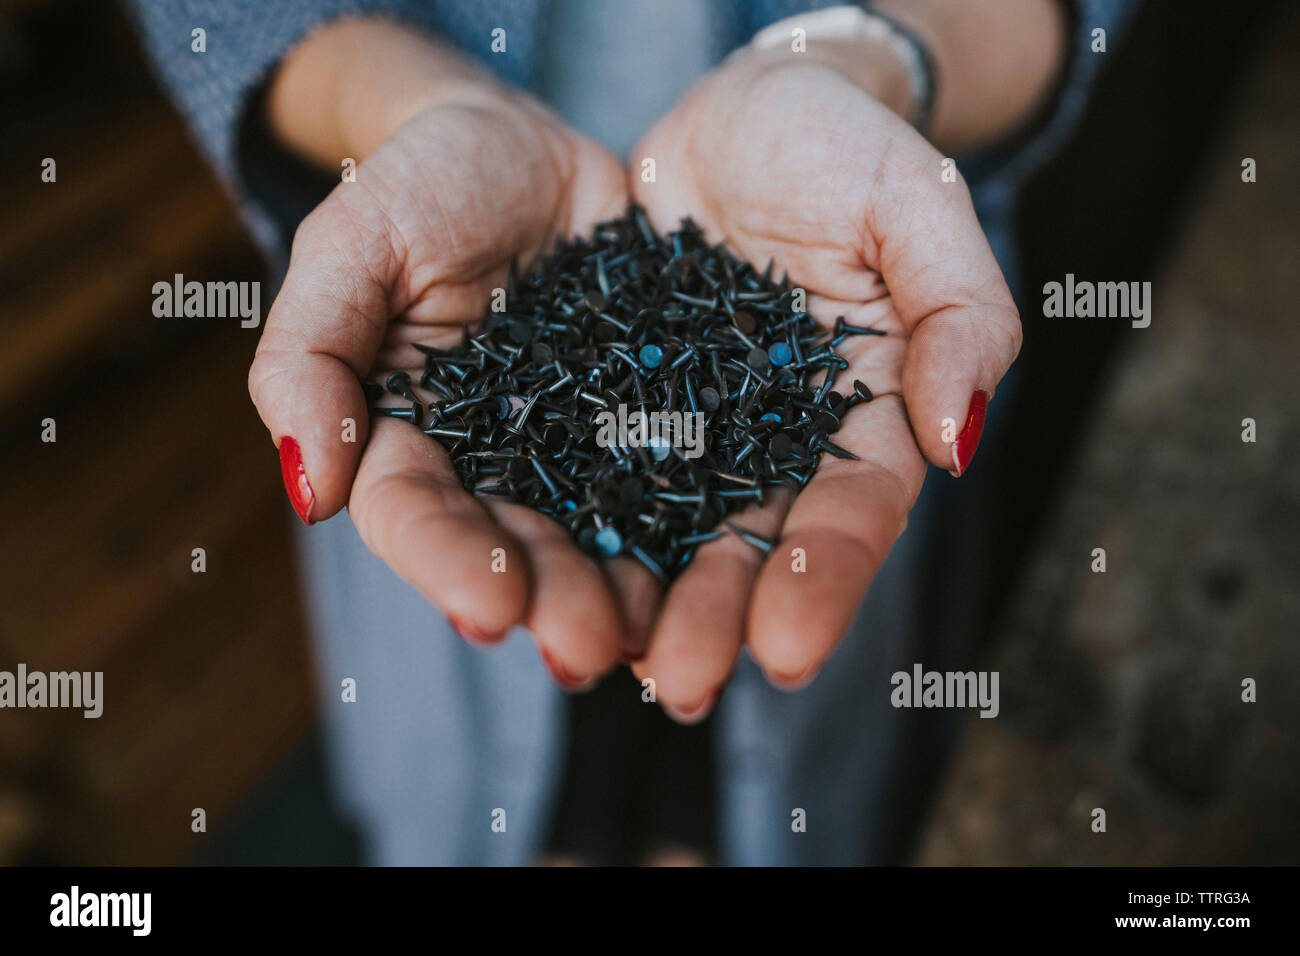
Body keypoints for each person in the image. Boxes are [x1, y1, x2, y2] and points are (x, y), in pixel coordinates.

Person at [127, 0, 1131, 864]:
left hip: (850, 274)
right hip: (450, 289)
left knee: (790, 773)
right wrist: (404, 105)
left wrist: (873, 57)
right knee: (489, 761)